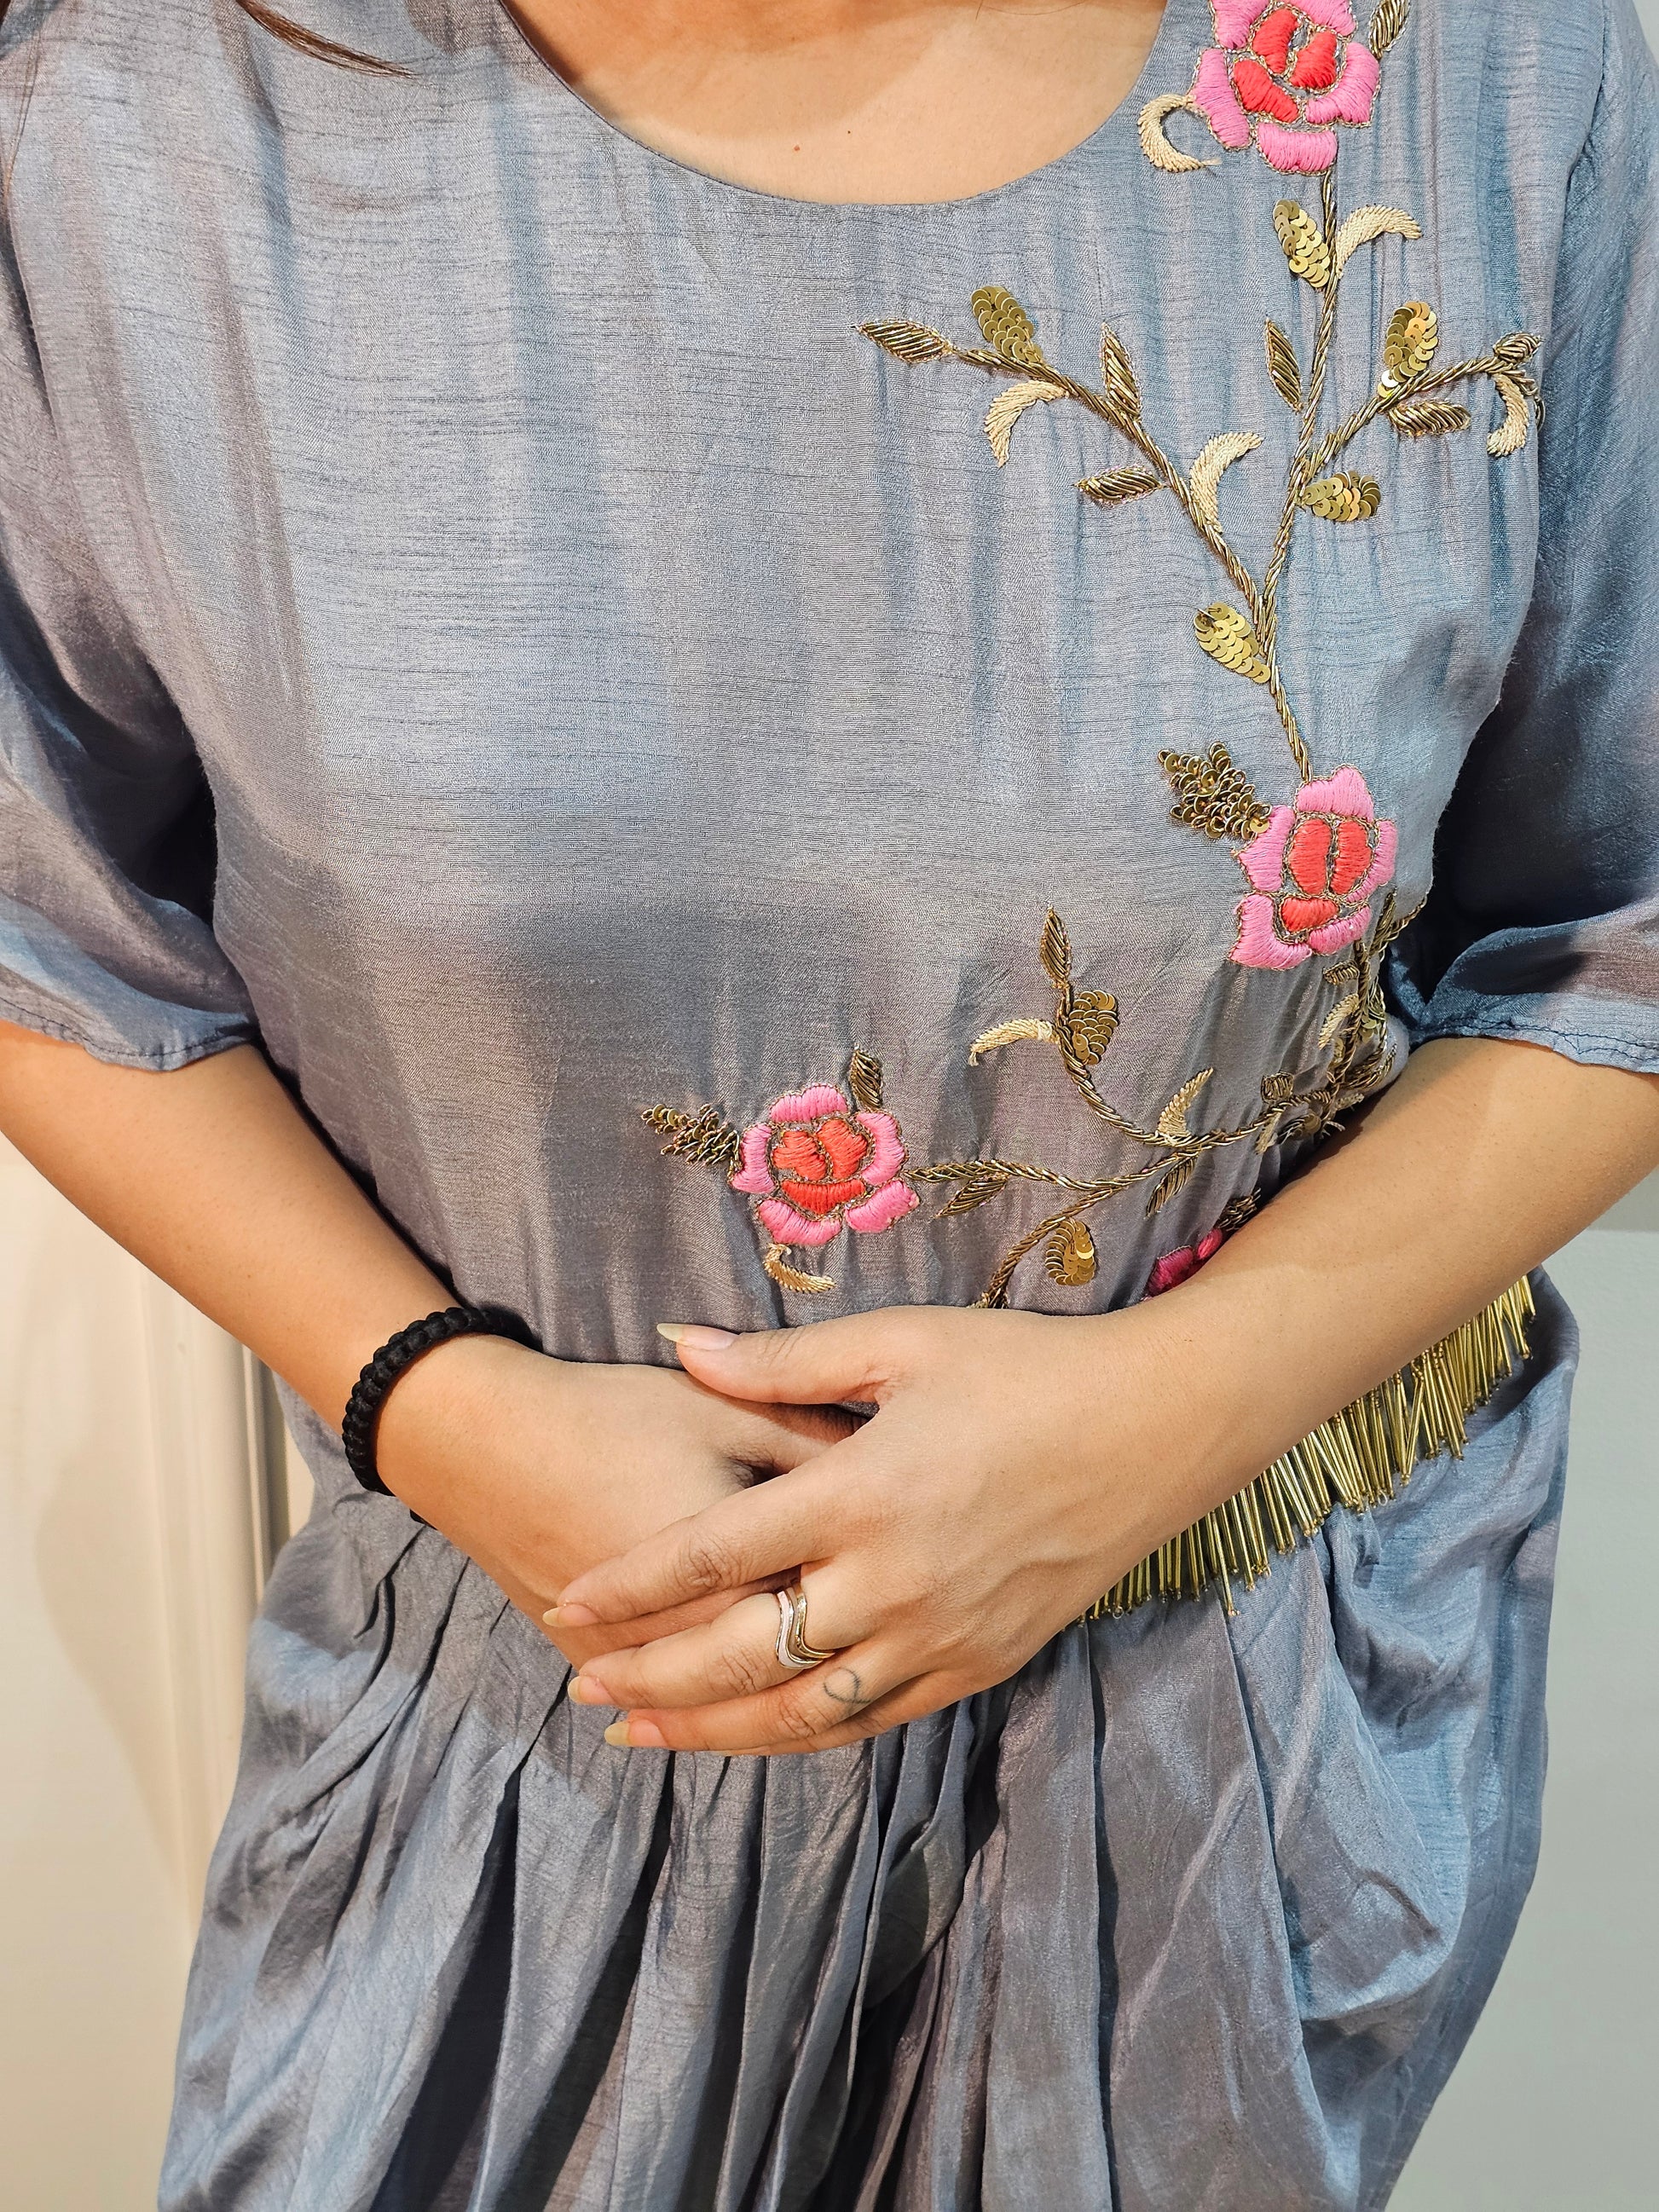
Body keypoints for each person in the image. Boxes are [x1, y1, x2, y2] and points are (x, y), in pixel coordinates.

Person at [2, 0, 1656, 2203]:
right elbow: (48, 925)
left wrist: (1169, 1420)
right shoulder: (127, 131)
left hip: (1219, 1745)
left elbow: (1617, 925)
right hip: (541, 1701)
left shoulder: (1496, 77)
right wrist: (442, 1409)